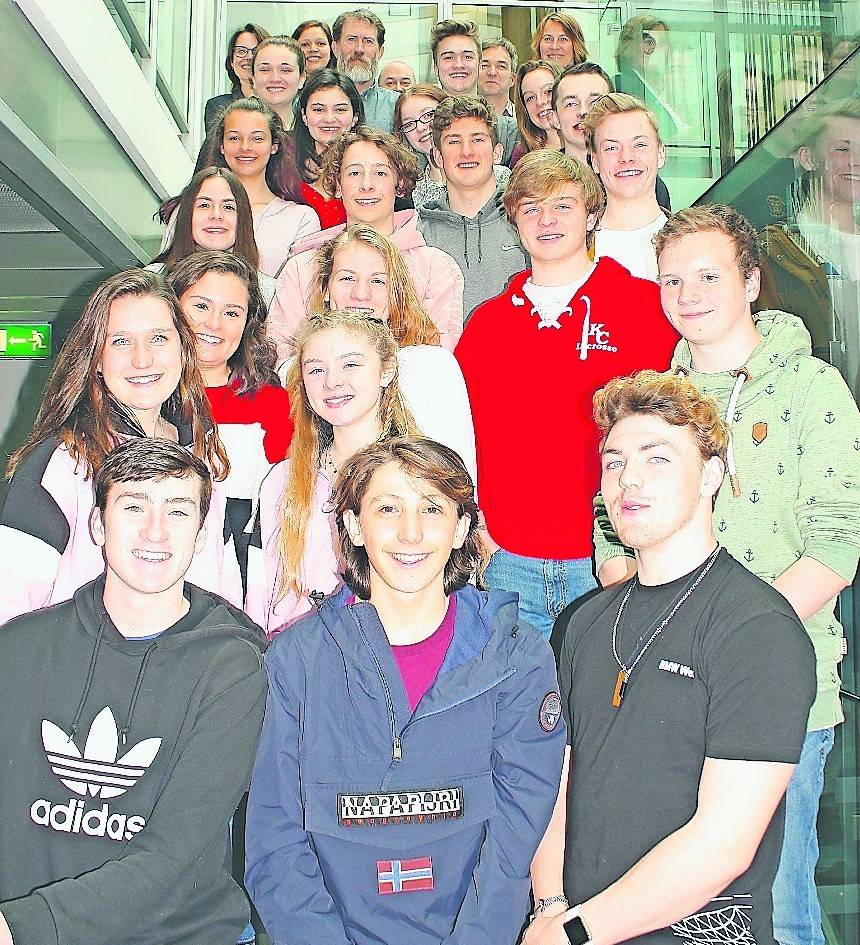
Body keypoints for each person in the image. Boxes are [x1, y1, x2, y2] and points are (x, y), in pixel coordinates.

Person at [593, 206, 860, 945]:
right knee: (683, 903)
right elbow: (611, 524)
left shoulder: (813, 388)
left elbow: (837, 545)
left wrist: (734, 649)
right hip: (662, 692)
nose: (688, 293)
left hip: (780, 694)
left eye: (709, 275)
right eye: (672, 279)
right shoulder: (649, 394)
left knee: (778, 900)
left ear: (749, 281)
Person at [525, 370, 816, 945]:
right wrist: (551, 907)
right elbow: (553, 785)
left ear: (711, 474)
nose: (626, 478)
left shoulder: (759, 630)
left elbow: (723, 844)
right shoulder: (582, 624)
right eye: (613, 461)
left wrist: (575, 932)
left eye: (656, 458)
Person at [245, 436, 566, 945]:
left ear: (462, 529)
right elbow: (275, 843)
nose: (410, 533)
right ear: (353, 526)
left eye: (432, 509)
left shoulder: (519, 660)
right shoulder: (296, 661)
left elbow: (512, 845)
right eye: (387, 508)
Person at [0, 437, 267, 945]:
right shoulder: (18, 650)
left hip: (176, 933)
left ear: (201, 531)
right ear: (98, 525)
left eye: (178, 510)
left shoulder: (233, 665)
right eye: (133, 506)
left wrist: (19, 927)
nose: (155, 532)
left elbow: (173, 859)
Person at [455, 150, 678, 638]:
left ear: (592, 214)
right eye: (531, 208)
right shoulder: (486, 327)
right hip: (509, 560)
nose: (546, 219)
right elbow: (459, 440)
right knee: (518, 709)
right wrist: (480, 532)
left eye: (563, 205)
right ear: (514, 221)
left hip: (615, 557)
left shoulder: (644, 308)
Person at [0, 268, 241, 624]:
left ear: (183, 348)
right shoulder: (63, 463)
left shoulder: (204, 454)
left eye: (159, 338)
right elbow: (10, 609)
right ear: (96, 359)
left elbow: (218, 581)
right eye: (120, 341)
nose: (142, 359)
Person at [247, 311, 419, 636]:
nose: (332, 382)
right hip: (299, 663)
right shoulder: (282, 481)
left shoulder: (422, 478)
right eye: (315, 369)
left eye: (350, 364)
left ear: (386, 370)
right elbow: (261, 589)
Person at [270, 126, 465, 355]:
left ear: (399, 183)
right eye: (354, 173)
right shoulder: (301, 268)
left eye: (380, 173)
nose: (366, 185)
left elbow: (435, 357)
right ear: (338, 185)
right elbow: (283, 357)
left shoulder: (436, 268)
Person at [308, 224, 476, 481]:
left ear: (395, 293)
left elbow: (459, 480)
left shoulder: (433, 367)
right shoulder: (295, 370)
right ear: (326, 289)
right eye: (347, 278)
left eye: (377, 281)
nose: (361, 294)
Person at [168, 251, 291, 592]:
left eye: (232, 313)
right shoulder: (142, 395)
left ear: (249, 323)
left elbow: (283, 504)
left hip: (237, 581)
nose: (214, 324)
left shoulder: (271, 402)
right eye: (201, 306)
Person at [417, 96, 528, 320]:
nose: (466, 152)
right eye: (454, 141)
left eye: (477, 140)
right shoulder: (418, 234)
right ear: (438, 156)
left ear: (497, 153)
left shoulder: (528, 221)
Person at [198, 98, 320, 278]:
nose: (245, 147)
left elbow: (302, 291)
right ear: (221, 146)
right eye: (234, 138)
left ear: (274, 146)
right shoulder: (190, 210)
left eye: (257, 138)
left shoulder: (301, 219)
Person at [149, 166, 278, 307]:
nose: (216, 215)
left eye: (228, 207)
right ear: (187, 215)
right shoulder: (152, 281)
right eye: (204, 205)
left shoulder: (270, 294)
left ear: (243, 219)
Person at [551, 62, 672, 211]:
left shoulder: (641, 179)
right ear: (555, 118)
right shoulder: (543, 182)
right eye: (571, 103)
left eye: (595, 102)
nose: (583, 111)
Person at [583, 92, 667, 281]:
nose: (626, 157)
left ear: (660, 153)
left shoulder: (692, 241)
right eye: (611, 148)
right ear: (595, 161)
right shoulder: (574, 247)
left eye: (639, 144)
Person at [430, 19, 520, 165]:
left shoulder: (510, 132)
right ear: (435, 67)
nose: (458, 65)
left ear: (479, 64)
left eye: (467, 57)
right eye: (448, 57)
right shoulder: (421, 127)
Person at [293, 69, 363, 228]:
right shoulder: (283, 172)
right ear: (304, 115)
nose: (329, 119)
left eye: (340, 109)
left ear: (355, 117)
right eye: (318, 109)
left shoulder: (371, 171)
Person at [615, 14, 686, 142]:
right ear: (628, 46)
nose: (653, 49)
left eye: (663, 43)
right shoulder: (623, 85)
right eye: (649, 42)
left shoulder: (658, 92)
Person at [331, 8, 398, 132]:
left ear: (380, 52)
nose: (359, 49)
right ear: (335, 48)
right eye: (351, 39)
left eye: (368, 41)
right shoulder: (314, 104)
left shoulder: (398, 105)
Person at [204, 22, 269, 133]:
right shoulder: (218, 106)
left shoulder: (281, 103)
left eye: (255, 51)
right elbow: (213, 148)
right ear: (231, 62)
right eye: (241, 51)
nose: (249, 57)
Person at [250, 35, 304, 131]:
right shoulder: (232, 130)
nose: (275, 78)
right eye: (265, 69)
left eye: (285, 70)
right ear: (253, 78)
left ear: (301, 79)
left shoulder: (314, 133)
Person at [512, 60, 562, 163]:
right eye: (530, 98)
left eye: (548, 91)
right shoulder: (522, 155)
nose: (540, 102)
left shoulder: (592, 142)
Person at [479, 37, 517, 118]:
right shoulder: (460, 118)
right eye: (484, 65)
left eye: (501, 66)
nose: (492, 73)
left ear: (513, 79)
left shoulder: (526, 119)